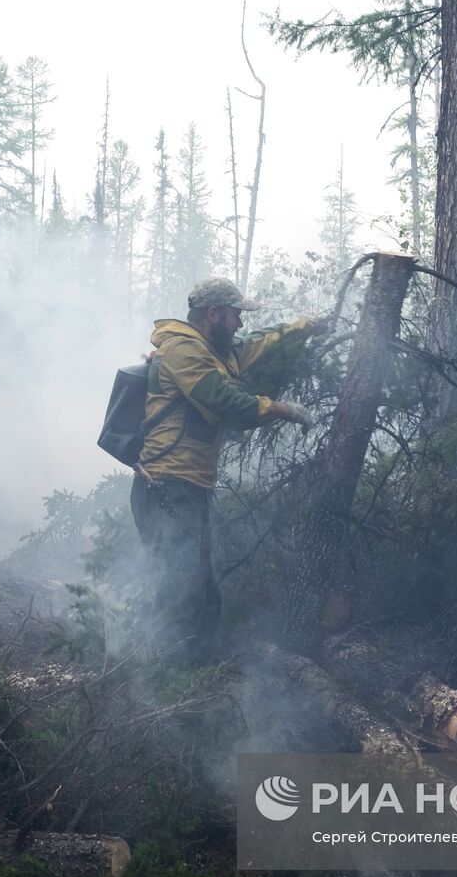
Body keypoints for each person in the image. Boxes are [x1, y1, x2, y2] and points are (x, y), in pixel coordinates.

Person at [131, 277, 330, 665]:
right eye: (235, 314)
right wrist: (281, 409)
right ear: (214, 314)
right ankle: (163, 684)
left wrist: (306, 325)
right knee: (182, 594)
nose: (240, 322)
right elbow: (223, 404)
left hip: (188, 489)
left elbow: (258, 340)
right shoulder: (186, 352)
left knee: (202, 592)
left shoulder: (215, 349)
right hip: (166, 489)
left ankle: (195, 682)